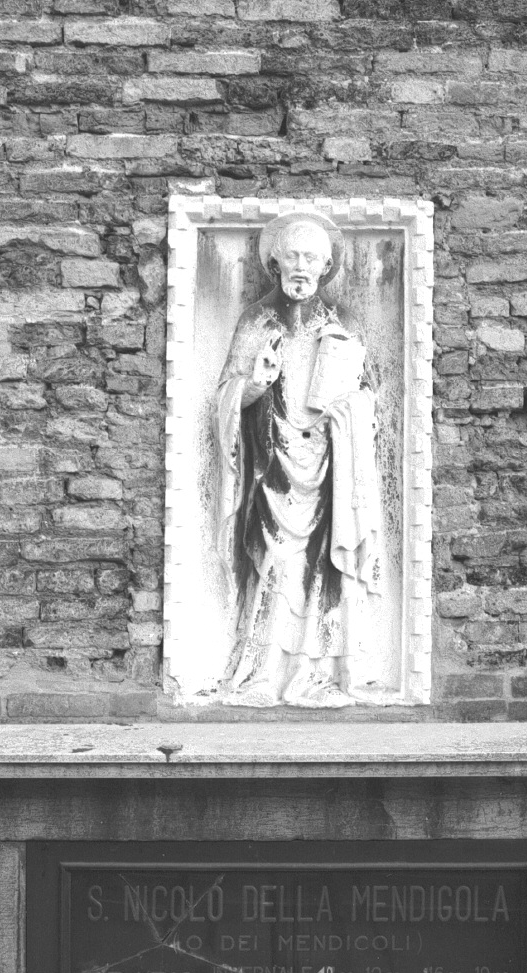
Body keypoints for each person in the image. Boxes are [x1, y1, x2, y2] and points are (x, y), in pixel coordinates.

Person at [214, 211, 382, 708]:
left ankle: (311, 675)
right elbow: (226, 394)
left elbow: (368, 394)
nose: (301, 266)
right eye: (292, 256)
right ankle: (261, 674)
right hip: (272, 465)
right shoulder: (257, 321)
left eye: (311, 258)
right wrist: (256, 383)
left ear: (327, 266)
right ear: (275, 263)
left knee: (321, 570)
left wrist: (350, 408)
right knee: (277, 564)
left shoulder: (343, 323)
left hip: (330, 464)